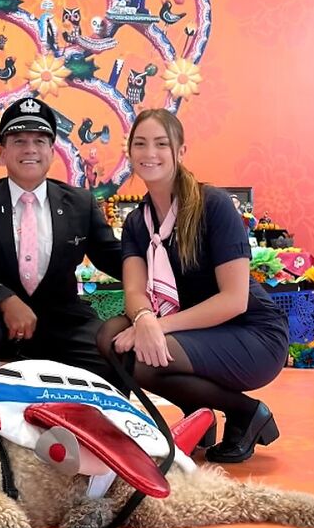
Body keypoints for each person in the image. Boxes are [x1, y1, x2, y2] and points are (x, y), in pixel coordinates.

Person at [96, 109, 289, 463]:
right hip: (196, 331)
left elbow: (234, 300)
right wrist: (143, 319)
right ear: (130, 152)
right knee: (110, 336)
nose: (149, 153)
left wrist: (157, 326)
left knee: (144, 359)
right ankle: (199, 417)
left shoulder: (212, 205)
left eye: (160, 144)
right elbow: (135, 290)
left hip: (251, 333)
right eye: (140, 144)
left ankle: (247, 414)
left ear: (180, 151)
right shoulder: (139, 221)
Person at [0, 96, 123, 385]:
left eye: (39, 140)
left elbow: (115, 258)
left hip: (63, 323)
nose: (30, 149)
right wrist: (5, 301)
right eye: (19, 140)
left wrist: (164, 273)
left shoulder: (80, 203)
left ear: (51, 150)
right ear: (2, 152)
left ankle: (90, 424)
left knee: (114, 350)